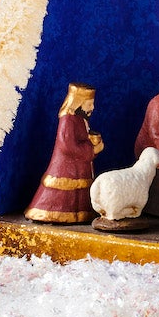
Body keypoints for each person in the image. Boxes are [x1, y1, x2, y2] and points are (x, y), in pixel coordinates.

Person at [25, 83, 103, 223]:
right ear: (79, 102)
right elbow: (67, 146)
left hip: (79, 167)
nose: (93, 107)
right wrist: (92, 150)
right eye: (89, 104)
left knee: (78, 194)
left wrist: (92, 141)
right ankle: (50, 212)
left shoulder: (80, 119)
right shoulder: (67, 120)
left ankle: (79, 214)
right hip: (66, 168)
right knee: (62, 192)